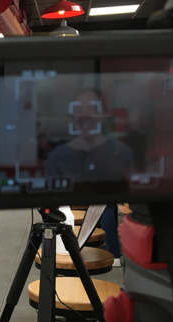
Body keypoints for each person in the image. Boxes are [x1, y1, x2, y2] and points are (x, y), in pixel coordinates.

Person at [45, 88, 131, 266]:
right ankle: (112, 252)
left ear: (104, 114)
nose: (85, 115)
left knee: (107, 209)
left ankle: (113, 252)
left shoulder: (121, 152)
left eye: (93, 108)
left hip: (105, 202)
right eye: (78, 109)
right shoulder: (58, 156)